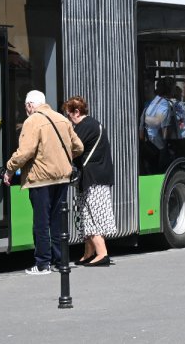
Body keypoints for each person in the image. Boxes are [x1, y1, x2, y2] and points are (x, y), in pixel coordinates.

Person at [6, 90, 83, 275]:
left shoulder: (32, 121)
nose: (26, 110)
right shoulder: (62, 119)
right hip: (62, 178)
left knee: (41, 223)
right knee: (57, 222)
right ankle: (60, 260)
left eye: (26, 107)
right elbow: (79, 147)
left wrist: (10, 168)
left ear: (30, 105)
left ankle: (42, 264)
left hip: (40, 180)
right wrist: (61, 159)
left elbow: (25, 152)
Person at [63, 96, 117, 267]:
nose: (68, 119)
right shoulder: (93, 124)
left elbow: (73, 148)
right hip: (94, 178)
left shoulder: (85, 126)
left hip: (93, 179)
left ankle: (102, 253)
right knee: (86, 214)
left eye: (69, 115)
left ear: (76, 112)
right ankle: (89, 253)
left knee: (92, 215)